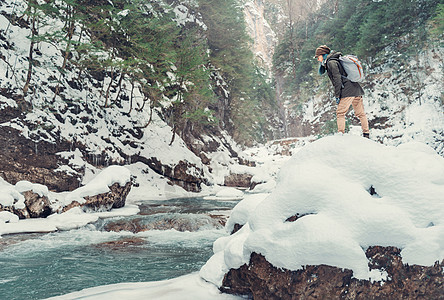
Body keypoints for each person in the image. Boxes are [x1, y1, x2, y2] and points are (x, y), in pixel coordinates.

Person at [315, 45, 370, 138]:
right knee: (361, 113)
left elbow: (337, 79)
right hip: (356, 88)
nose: (317, 59)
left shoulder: (331, 62)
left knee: (340, 113)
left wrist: (338, 95)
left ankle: (341, 134)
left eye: (318, 57)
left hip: (347, 90)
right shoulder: (335, 60)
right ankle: (366, 134)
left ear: (323, 54)